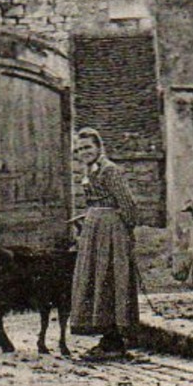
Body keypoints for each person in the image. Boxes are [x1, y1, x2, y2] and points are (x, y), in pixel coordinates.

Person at [69, 128, 141, 358]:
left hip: (111, 231)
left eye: (88, 147)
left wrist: (124, 232)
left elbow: (128, 205)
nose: (84, 152)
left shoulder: (110, 171)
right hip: (94, 230)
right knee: (95, 278)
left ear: (99, 147)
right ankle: (107, 337)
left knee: (110, 277)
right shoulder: (89, 171)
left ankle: (114, 341)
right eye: (79, 149)